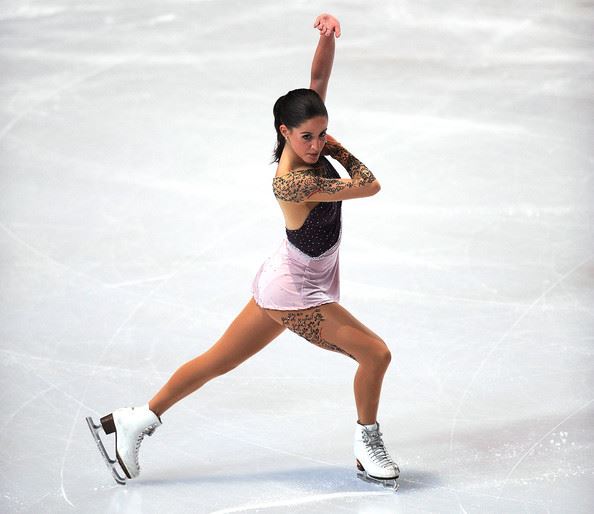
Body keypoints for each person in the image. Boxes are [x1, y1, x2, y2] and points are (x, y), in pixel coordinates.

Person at [86, 12, 399, 489]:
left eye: (321, 133)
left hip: (286, 274)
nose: (315, 143)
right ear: (284, 132)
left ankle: (134, 419)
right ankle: (366, 443)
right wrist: (338, 148)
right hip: (297, 293)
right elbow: (369, 186)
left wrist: (326, 38)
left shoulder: (303, 134)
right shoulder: (294, 184)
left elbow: (317, 80)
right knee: (375, 355)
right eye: (307, 136)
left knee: (218, 361)